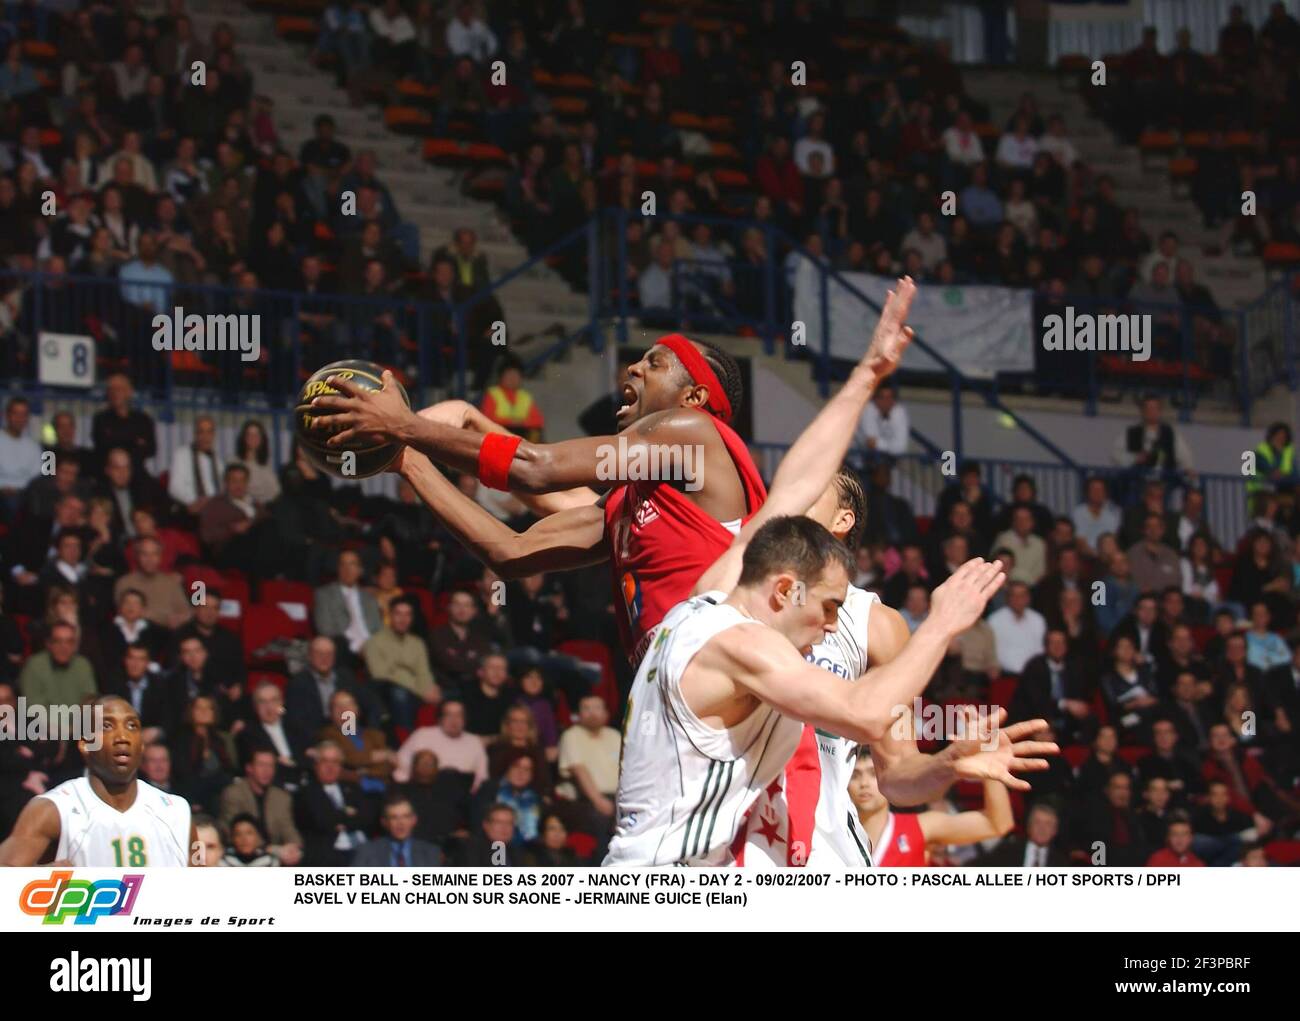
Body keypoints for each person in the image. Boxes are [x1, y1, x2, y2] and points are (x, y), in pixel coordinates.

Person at [605, 516, 1042, 866]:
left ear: (841, 521)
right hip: (730, 846)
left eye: (817, 497)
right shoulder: (736, 601)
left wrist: (946, 764)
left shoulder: (873, 623)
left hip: (824, 847)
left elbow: (900, 778)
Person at [0, 695, 195, 865]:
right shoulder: (53, 809)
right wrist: (38, 878)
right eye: (107, 726)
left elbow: (204, 891)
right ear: (85, 745)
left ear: (142, 745)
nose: (122, 736)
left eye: (131, 726)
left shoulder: (176, 812)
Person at [849, 749, 1014, 866]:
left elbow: (997, 823)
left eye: (872, 774)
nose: (864, 784)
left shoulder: (921, 826)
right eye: (855, 776)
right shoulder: (830, 832)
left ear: (888, 778)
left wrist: (990, 772)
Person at [363, 596, 439, 732]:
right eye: (398, 614)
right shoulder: (374, 642)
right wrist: (420, 690)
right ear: (390, 615)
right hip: (387, 692)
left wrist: (429, 688)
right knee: (399, 693)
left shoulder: (417, 643)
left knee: (453, 694)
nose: (403, 619)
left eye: (407, 615)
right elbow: (380, 674)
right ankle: (406, 738)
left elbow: (423, 672)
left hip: (416, 691)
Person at [217, 748, 304, 865]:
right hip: (242, 858)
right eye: (261, 765)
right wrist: (271, 849)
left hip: (276, 858)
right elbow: (232, 834)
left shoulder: (281, 797)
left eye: (270, 766)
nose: (266, 771)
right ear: (249, 768)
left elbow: (288, 828)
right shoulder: (233, 794)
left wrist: (294, 848)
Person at [351, 793, 445, 866]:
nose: (401, 823)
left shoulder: (431, 852)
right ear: (384, 822)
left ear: (414, 820)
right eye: (394, 817)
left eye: (406, 816)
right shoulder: (366, 851)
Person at [986, 581, 1047, 676]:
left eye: (1022, 595)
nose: (1018, 599)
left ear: (1028, 598)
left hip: (1032, 677)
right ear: (1007, 598)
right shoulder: (995, 620)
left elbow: (1040, 650)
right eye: (1014, 595)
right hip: (1003, 676)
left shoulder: (1037, 620)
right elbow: (989, 650)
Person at [852, 380, 910, 456]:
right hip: (853, 458)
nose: (886, 401)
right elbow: (871, 444)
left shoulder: (898, 411)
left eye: (890, 397)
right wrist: (890, 447)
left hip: (882, 459)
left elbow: (901, 448)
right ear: (875, 399)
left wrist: (880, 444)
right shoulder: (867, 409)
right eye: (882, 397)